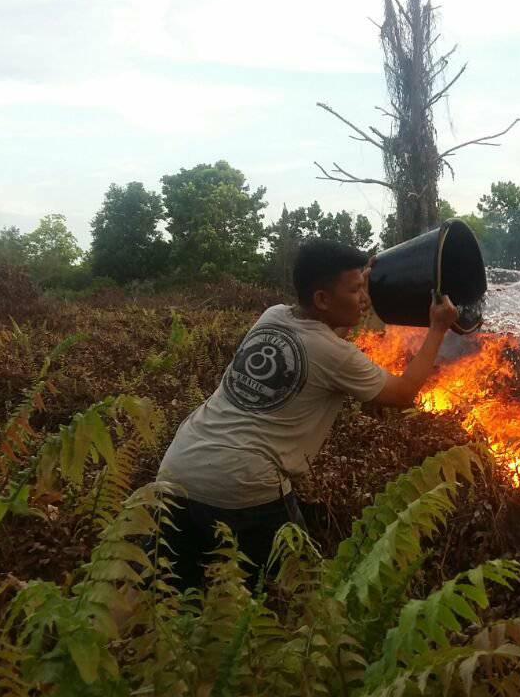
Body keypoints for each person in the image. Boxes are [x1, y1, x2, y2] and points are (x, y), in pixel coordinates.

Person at [156, 239, 459, 589]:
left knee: (175, 598)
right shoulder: (335, 355)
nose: (364, 297)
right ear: (322, 300)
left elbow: (327, 327)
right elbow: (404, 393)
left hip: (178, 467)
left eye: (364, 286)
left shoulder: (274, 315)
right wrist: (437, 329)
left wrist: (364, 291)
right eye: (355, 289)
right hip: (243, 483)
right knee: (297, 598)